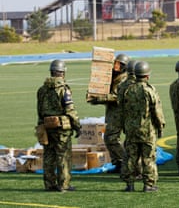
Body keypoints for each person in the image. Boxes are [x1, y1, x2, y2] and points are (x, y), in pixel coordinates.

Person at [119, 61, 165, 192]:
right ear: (147, 75)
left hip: (131, 129)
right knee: (148, 158)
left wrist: (124, 125)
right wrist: (160, 126)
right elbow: (157, 111)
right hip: (147, 130)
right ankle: (148, 185)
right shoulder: (149, 90)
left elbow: (121, 110)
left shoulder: (127, 90)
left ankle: (129, 184)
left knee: (130, 157)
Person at [36, 59, 81, 192]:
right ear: (62, 73)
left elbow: (39, 110)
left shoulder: (42, 90)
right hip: (62, 128)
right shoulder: (64, 90)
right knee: (63, 156)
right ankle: (64, 184)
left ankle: (49, 184)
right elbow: (70, 110)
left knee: (49, 155)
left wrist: (41, 125)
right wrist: (77, 125)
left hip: (47, 126)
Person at [88, 53, 129, 173]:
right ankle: (118, 163)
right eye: (115, 64)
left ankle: (124, 162)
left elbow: (116, 97)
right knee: (110, 138)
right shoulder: (114, 77)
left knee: (111, 138)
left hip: (119, 112)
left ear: (124, 66)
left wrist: (98, 99)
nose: (115, 67)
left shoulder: (123, 79)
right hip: (112, 112)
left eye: (118, 65)